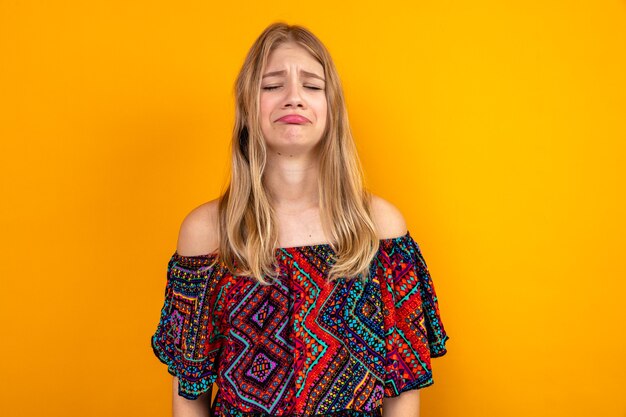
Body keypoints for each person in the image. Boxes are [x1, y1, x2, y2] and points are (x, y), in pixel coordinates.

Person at [150, 22, 449, 417]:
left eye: (312, 86)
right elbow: (188, 395)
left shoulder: (379, 228)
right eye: (272, 86)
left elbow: (403, 387)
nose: (293, 98)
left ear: (333, 109)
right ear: (246, 108)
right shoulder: (207, 233)